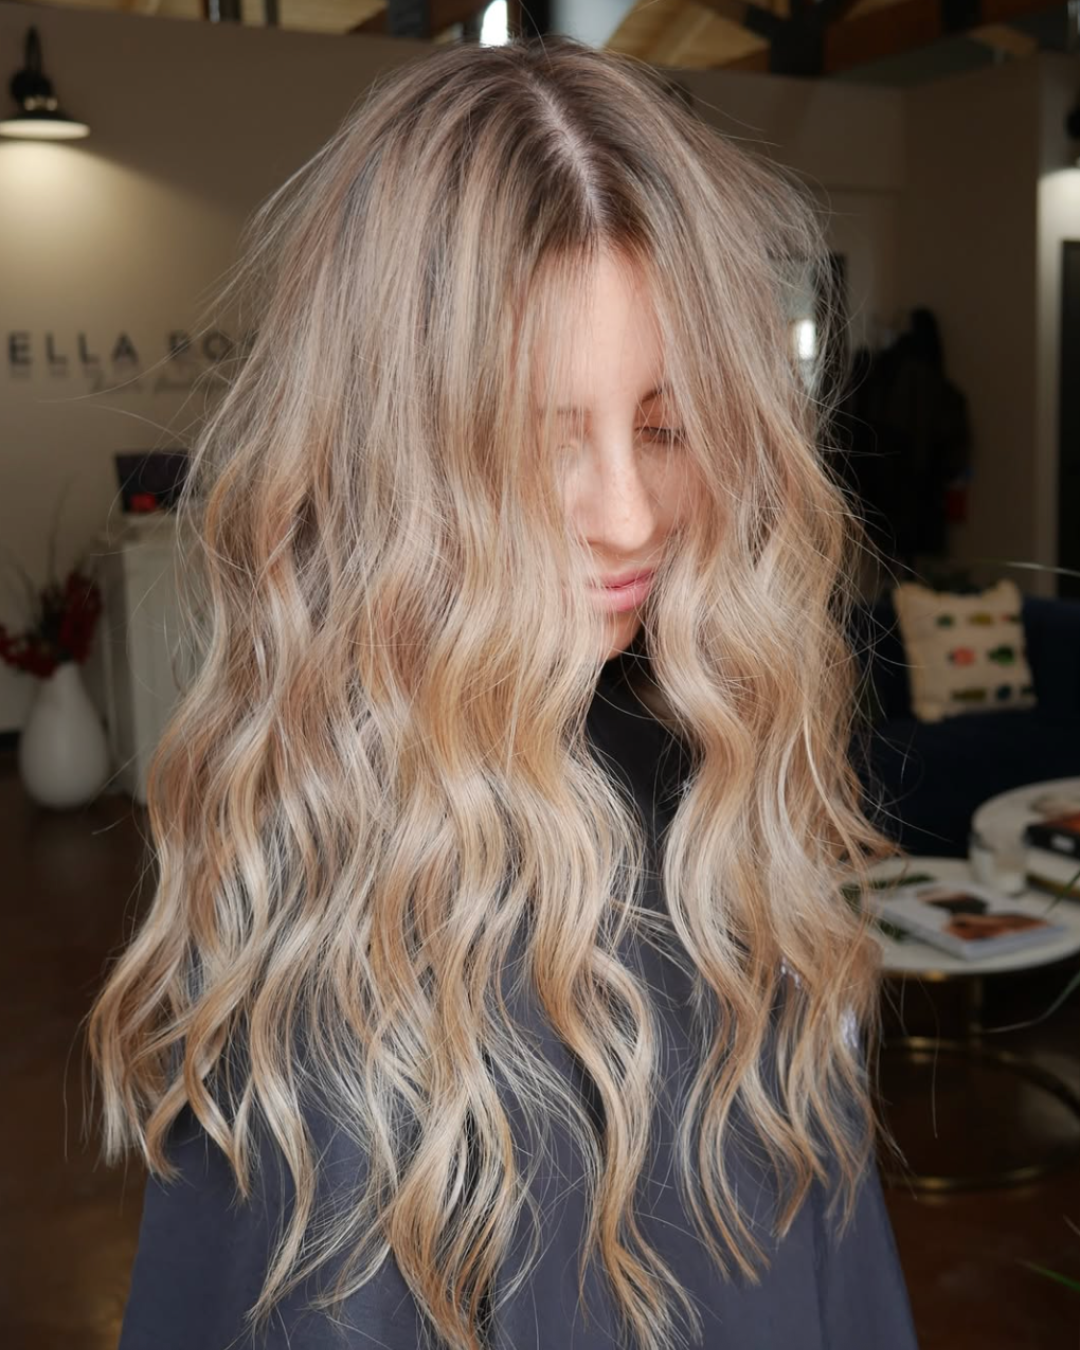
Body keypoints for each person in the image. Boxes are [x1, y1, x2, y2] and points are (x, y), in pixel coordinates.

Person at [85, 33, 919, 1350]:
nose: (633, 513)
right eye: (542, 445)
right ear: (403, 461)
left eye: (665, 422)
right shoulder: (314, 880)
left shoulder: (725, 782)